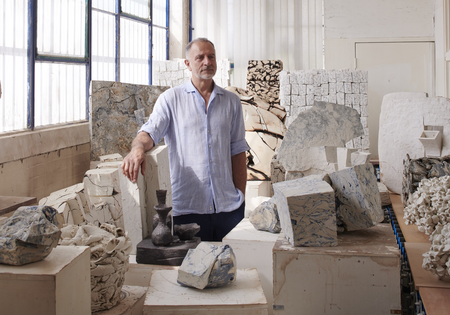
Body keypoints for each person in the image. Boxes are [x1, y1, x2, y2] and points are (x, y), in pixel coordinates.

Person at [121, 38, 248, 241]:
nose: (207, 61)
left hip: (228, 209)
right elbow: (149, 133)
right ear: (188, 64)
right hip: (187, 210)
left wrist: (240, 197)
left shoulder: (231, 102)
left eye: (211, 56)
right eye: (200, 57)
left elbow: (238, 150)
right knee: (192, 270)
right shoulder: (171, 99)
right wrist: (137, 149)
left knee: (231, 268)